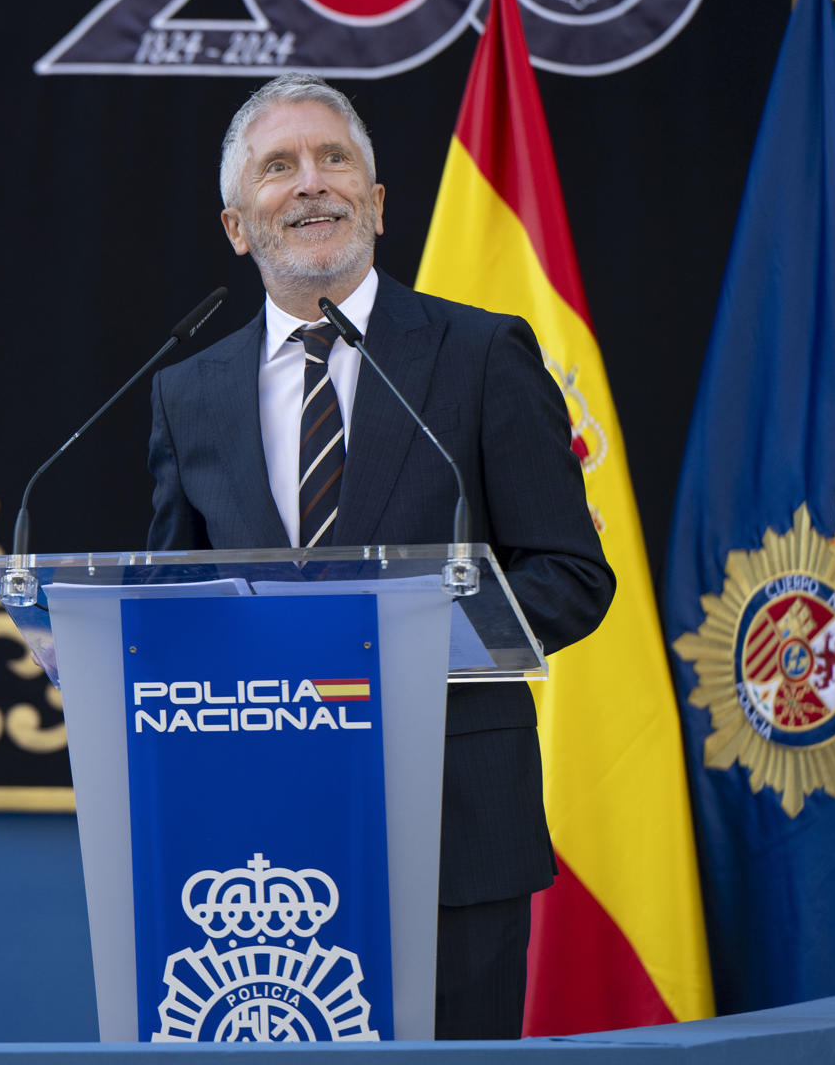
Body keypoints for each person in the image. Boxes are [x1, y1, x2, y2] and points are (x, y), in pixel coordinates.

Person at [146, 73, 614, 1039]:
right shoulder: (187, 393)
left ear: (377, 202)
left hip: (455, 826)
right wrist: (106, 650)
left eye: (334, 160)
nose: (311, 183)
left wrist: (398, 647)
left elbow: (570, 574)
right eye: (279, 167)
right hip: (255, 843)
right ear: (238, 225)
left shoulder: (482, 355)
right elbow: (173, 600)